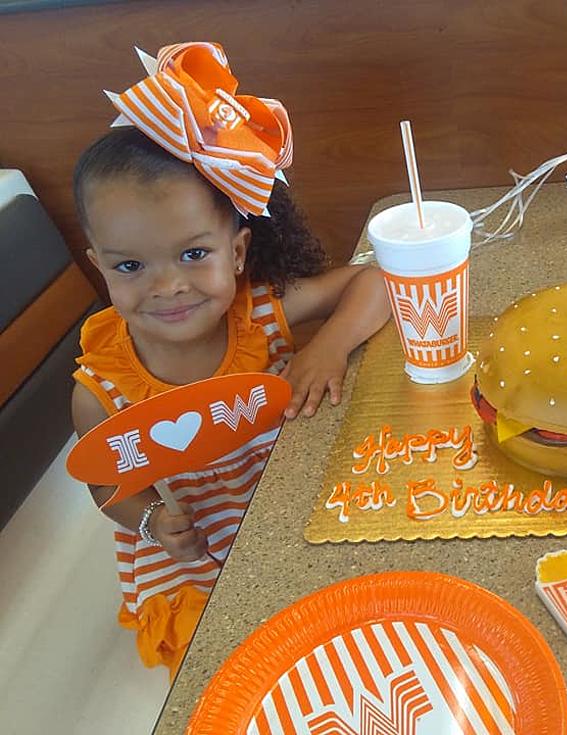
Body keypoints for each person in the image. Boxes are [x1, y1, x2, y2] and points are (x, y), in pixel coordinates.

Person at [70, 42, 390, 677]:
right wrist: (155, 519)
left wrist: (325, 346)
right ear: (98, 264)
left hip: (287, 498)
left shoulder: (261, 312)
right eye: (131, 266)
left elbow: (378, 280)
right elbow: (105, 484)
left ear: (237, 252)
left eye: (193, 255)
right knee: (237, 664)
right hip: (194, 547)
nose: (167, 287)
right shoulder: (100, 391)